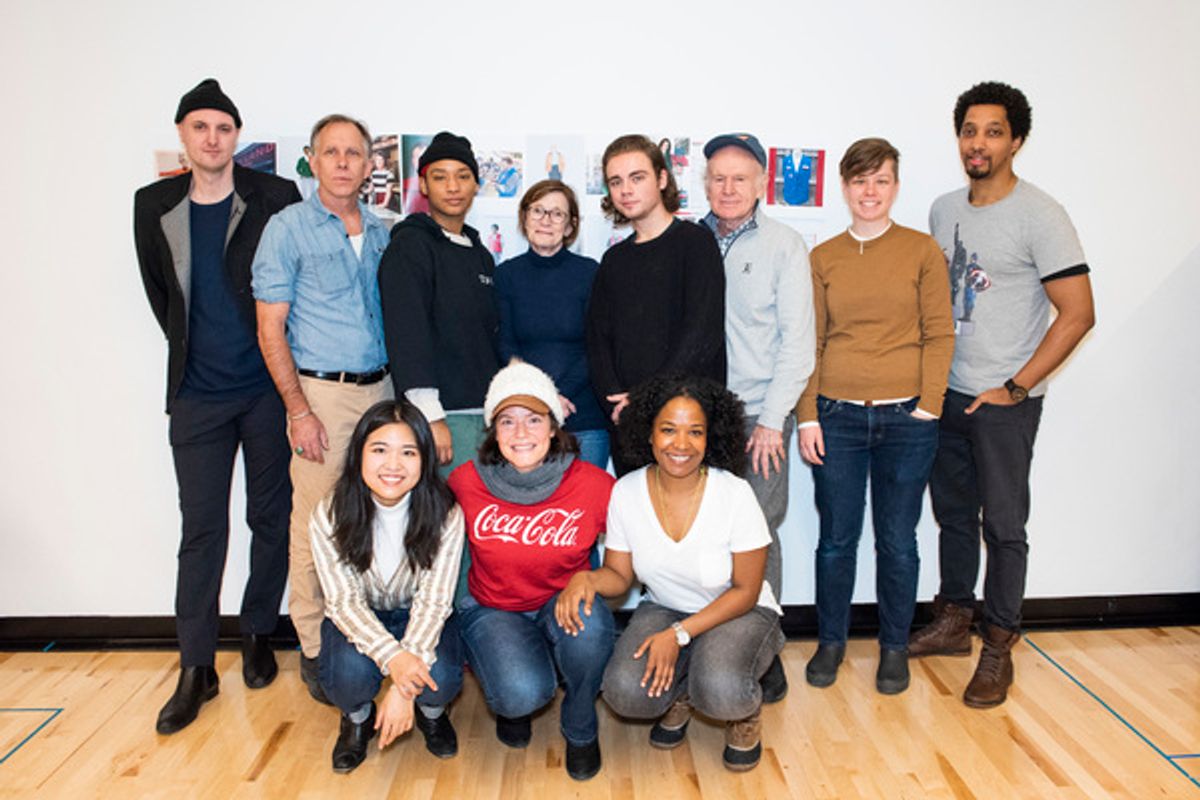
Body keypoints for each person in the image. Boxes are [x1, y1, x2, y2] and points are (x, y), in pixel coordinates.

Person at [912, 82, 1095, 708]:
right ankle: (954, 621)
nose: (978, 142)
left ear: (1016, 140)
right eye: (969, 130)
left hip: (1004, 404)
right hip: (949, 395)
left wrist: (1015, 387)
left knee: (1006, 526)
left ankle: (998, 644)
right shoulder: (942, 210)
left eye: (993, 131)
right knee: (954, 516)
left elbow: (1077, 313)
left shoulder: (1040, 214)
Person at [134, 78, 301, 735]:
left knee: (271, 516)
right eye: (200, 127)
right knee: (201, 531)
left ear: (237, 137)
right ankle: (196, 666)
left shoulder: (273, 197)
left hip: (264, 389)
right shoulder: (152, 204)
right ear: (183, 136)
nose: (212, 138)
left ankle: (258, 631)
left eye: (223, 128)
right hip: (197, 398)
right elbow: (160, 295)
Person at [559, 375, 784, 773]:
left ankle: (742, 713)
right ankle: (681, 688)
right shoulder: (626, 491)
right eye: (668, 430)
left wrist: (679, 635)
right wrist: (587, 579)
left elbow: (747, 590)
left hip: (738, 611)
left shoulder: (733, 493)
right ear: (649, 434)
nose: (681, 444)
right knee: (624, 692)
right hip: (665, 608)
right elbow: (618, 575)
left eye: (694, 432)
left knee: (721, 690)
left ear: (709, 438)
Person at [796, 138, 955, 695]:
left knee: (898, 540)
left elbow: (940, 333)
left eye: (881, 180)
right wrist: (807, 415)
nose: (870, 191)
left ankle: (893, 646)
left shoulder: (921, 251)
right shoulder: (823, 258)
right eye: (860, 181)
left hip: (908, 421)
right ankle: (832, 642)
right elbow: (808, 342)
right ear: (844, 187)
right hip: (836, 418)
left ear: (895, 186)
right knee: (837, 539)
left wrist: (930, 405)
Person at [252, 113, 393, 704]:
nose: (341, 162)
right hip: (322, 397)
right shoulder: (287, 229)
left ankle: (374, 640)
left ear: (368, 165)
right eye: (329, 152)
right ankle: (313, 647)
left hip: (384, 393)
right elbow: (270, 328)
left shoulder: (386, 231)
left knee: (380, 522)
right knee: (314, 526)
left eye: (353, 153)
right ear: (311, 159)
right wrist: (297, 410)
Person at [448, 362, 615, 781]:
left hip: (562, 602)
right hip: (494, 608)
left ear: (554, 426)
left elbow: (632, 559)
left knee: (592, 627)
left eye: (533, 420)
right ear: (493, 430)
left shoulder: (595, 485)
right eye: (508, 421)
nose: (521, 433)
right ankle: (514, 696)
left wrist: (592, 578)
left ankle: (580, 724)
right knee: (521, 692)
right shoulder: (466, 482)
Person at [700, 133, 815, 700]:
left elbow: (799, 343)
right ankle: (707, 648)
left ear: (760, 184)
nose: (727, 188)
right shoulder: (687, 241)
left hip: (756, 421)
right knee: (698, 537)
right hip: (694, 421)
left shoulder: (784, 245)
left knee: (757, 538)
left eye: (739, 178)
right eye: (718, 177)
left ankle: (761, 651)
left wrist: (774, 419)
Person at [310, 399, 464, 772]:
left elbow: (435, 600)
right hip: (361, 614)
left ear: (424, 459)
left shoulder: (446, 512)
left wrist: (403, 687)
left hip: (421, 615)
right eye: (379, 450)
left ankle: (431, 712)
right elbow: (343, 602)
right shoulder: (329, 512)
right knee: (346, 679)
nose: (393, 465)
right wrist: (396, 661)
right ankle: (358, 719)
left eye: (408, 452)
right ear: (359, 453)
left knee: (440, 679)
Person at [586, 134, 726, 474]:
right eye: (616, 182)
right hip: (628, 424)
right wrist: (617, 403)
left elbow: (702, 334)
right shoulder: (613, 260)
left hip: (686, 419)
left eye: (637, 178)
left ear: (662, 179)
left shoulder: (696, 243)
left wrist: (645, 398)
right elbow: (597, 338)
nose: (626, 190)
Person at [378, 131, 500, 478]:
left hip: (486, 414)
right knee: (444, 524)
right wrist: (431, 415)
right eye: (440, 176)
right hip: (444, 416)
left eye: (463, 176)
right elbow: (408, 335)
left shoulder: (479, 253)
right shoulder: (411, 247)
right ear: (423, 184)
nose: (453, 186)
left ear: (476, 185)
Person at [495, 180, 609, 470]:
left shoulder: (590, 273)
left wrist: (561, 396)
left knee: (587, 510)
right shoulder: (506, 275)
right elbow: (505, 343)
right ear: (524, 218)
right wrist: (541, 397)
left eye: (557, 214)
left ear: (570, 226)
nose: (546, 220)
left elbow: (596, 345)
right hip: (527, 419)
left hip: (583, 416)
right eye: (538, 211)